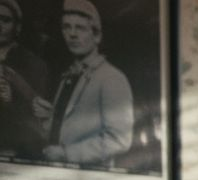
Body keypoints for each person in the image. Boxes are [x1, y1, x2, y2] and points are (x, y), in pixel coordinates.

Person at [33, 0, 133, 166]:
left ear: (97, 36)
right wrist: (47, 120)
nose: (72, 34)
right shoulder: (68, 75)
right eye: (66, 27)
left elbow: (119, 140)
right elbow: (66, 131)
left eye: (80, 28)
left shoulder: (112, 78)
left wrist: (67, 154)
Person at [0, 0, 50, 158]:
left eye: (5, 20)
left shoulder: (33, 64)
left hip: (14, 149)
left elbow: (39, 121)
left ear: (17, 27)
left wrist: (10, 101)